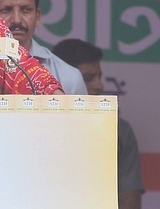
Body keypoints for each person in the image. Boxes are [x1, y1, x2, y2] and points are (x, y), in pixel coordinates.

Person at [52, 39, 144, 209]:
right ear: (61, 80)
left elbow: (129, 197)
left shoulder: (119, 130)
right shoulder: (37, 125)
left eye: (99, 77)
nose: (99, 86)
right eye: (88, 78)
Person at [0, 0, 87, 95]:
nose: (17, 20)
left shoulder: (69, 77)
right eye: (6, 10)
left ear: (37, 16)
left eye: (26, 10)